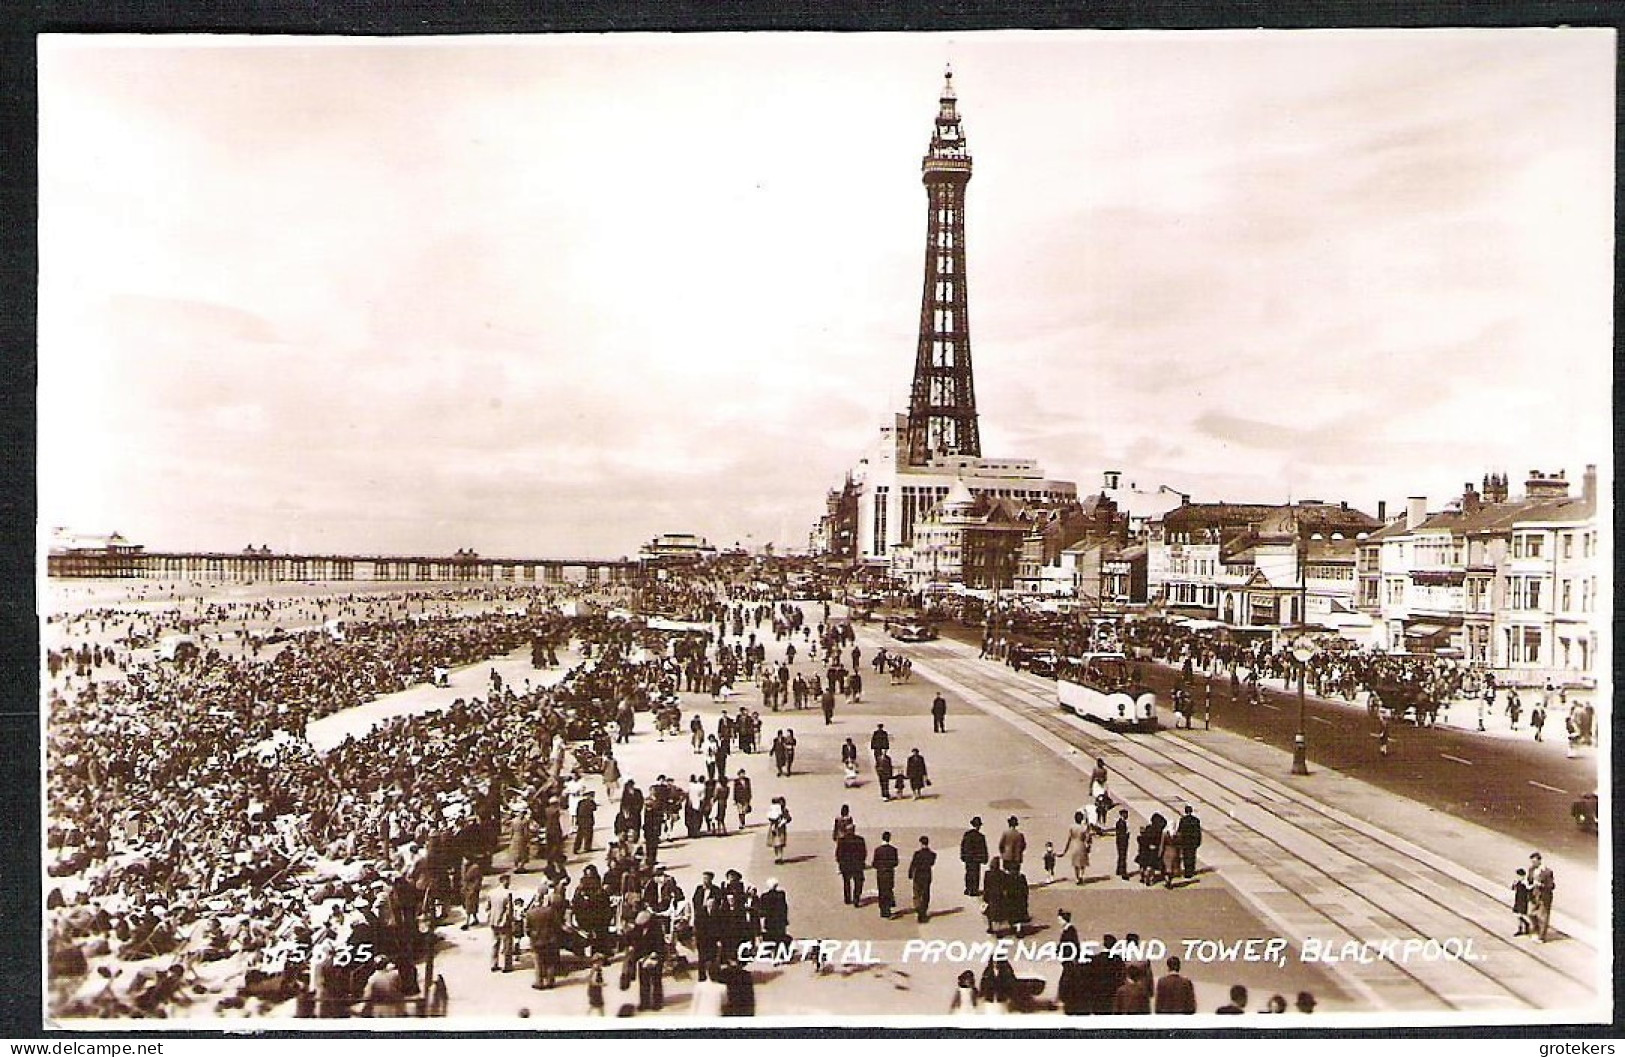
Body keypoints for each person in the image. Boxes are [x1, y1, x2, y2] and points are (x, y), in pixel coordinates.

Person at [487, 873, 518, 973]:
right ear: (503, 881)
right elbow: (509, 910)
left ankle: (494, 964)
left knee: (495, 943)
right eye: (507, 880)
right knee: (507, 944)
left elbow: (487, 907)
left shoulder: (491, 893)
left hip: (493, 920)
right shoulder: (507, 894)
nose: (509, 883)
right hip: (504, 922)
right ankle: (507, 965)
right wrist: (511, 921)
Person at [836, 827, 868, 907]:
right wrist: (862, 862)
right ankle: (856, 899)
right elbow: (864, 853)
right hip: (857, 865)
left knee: (846, 882)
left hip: (846, 865)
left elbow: (838, 854)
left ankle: (847, 899)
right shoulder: (860, 839)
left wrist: (840, 864)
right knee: (858, 882)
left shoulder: (842, 840)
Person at [1528, 852, 1556, 942]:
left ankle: (1541, 936)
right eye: (1532, 861)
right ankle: (1536, 931)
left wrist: (1541, 885)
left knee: (1543, 917)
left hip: (1544, 896)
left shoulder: (1547, 872)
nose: (1533, 863)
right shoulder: (1531, 869)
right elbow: (1529, 880)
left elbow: (1552, 886)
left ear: (1539, 861)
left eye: (1535, 861)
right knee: (1531, 913)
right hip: (1534, 895)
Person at [908, 836, 937, 923]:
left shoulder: (917, 854)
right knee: (925, 894)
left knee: (917, 893)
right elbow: (931, 864)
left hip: (918, 875)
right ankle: (923, 911)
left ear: (920, 843)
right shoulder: (932, 854)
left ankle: (918, 909)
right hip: (927, 875)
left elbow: (913, 864)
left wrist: (910, 873)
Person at [1059, 811, 1093, 885]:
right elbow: (1087, 838)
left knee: (1076, 863)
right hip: (1081, 845)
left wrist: (1065, 850)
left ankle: (1077, 878)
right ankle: (1081, 876)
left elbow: (1069, 838)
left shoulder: (1072, 827)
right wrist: (1089, 845)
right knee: (1082, 863)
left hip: (1074, 845)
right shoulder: (1084, 827)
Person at [960, 817, 989, 896]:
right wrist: (985, 858)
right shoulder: (980, 836)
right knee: (975, 874)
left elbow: (963, 846)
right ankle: (974, 889)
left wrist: (962, 855)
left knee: (968, 872)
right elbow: (983, 848)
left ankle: (968, 888)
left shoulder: (967, 834)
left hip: (968, 858)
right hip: (976, 859)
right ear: (978, 826)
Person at [872, 833, 899, 918]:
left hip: (880, 873)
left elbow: (874, 863)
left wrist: (879, 867)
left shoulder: (878, 850)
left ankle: (883, 910)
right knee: (888, 890)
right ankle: (888, 909)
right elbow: (895, 862)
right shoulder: (893, 850)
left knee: (881, 890)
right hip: (889, 873)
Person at [1175, 806, 1202, 880]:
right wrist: (1198, 841)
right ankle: (1191, 870)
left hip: (1185, 842)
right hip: (1193, 842)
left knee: (1186, 856)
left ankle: (1187, 871)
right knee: (1192, 856)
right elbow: (1198, 832)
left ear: (1185, 811)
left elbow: (1179, 831)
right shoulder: (1196, 820)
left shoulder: (1183, 820)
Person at [767, 797, 791, 865]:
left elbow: (788, 818)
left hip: (780, 829)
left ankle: (780, 857)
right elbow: (770, 817)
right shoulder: (772, 810)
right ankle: (776, 857)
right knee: (775, 844)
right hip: (774, 828)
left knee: (780, 843)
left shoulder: (784, 810)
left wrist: (784, 820)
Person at [1512, 868, 1532, 936]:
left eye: (1519, 876)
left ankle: (1527, 925)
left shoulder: (1525, 882)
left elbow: (1529, 888)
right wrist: (1514, 883)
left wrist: (1534, 885)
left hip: (1523, 900)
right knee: (1517, 914)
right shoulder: (1517, 881)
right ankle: (1520, 928)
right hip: (1518, 899)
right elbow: (1513, 888)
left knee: (1520, 914)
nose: (1518, 877)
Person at [1114, 809, 1132, 880]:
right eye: (1126, 814)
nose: (1127, 816)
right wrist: (1127, 835)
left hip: (1119, 841)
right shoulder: (1122, 823)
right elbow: (1122, 834)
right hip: (1122, 842)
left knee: (1120, 856)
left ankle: (1119, 870)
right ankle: (1123, 872)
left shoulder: (1119, 822)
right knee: (1123, 857)